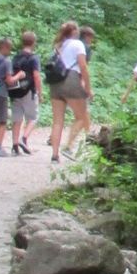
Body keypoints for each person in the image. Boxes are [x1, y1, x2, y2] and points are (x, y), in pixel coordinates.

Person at [48, 20, 91, 165]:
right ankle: (68, 146)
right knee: (82, 116)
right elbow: (83, 66)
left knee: (57, 121)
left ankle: (54, 155)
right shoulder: (78, 44)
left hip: (56, 82)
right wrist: (88, 88)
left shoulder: (59, 45)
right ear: (74, 32)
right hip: (71, 79)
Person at [8, 32, 42, 154]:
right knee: (33, 117)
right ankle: (24, 139)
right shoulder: (34, 58)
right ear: (33, 43)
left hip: (14, 90)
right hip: (28, 91)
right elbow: (36, 76)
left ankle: (15, 145)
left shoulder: (15, 57)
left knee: (17, 118)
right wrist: (40, 92)